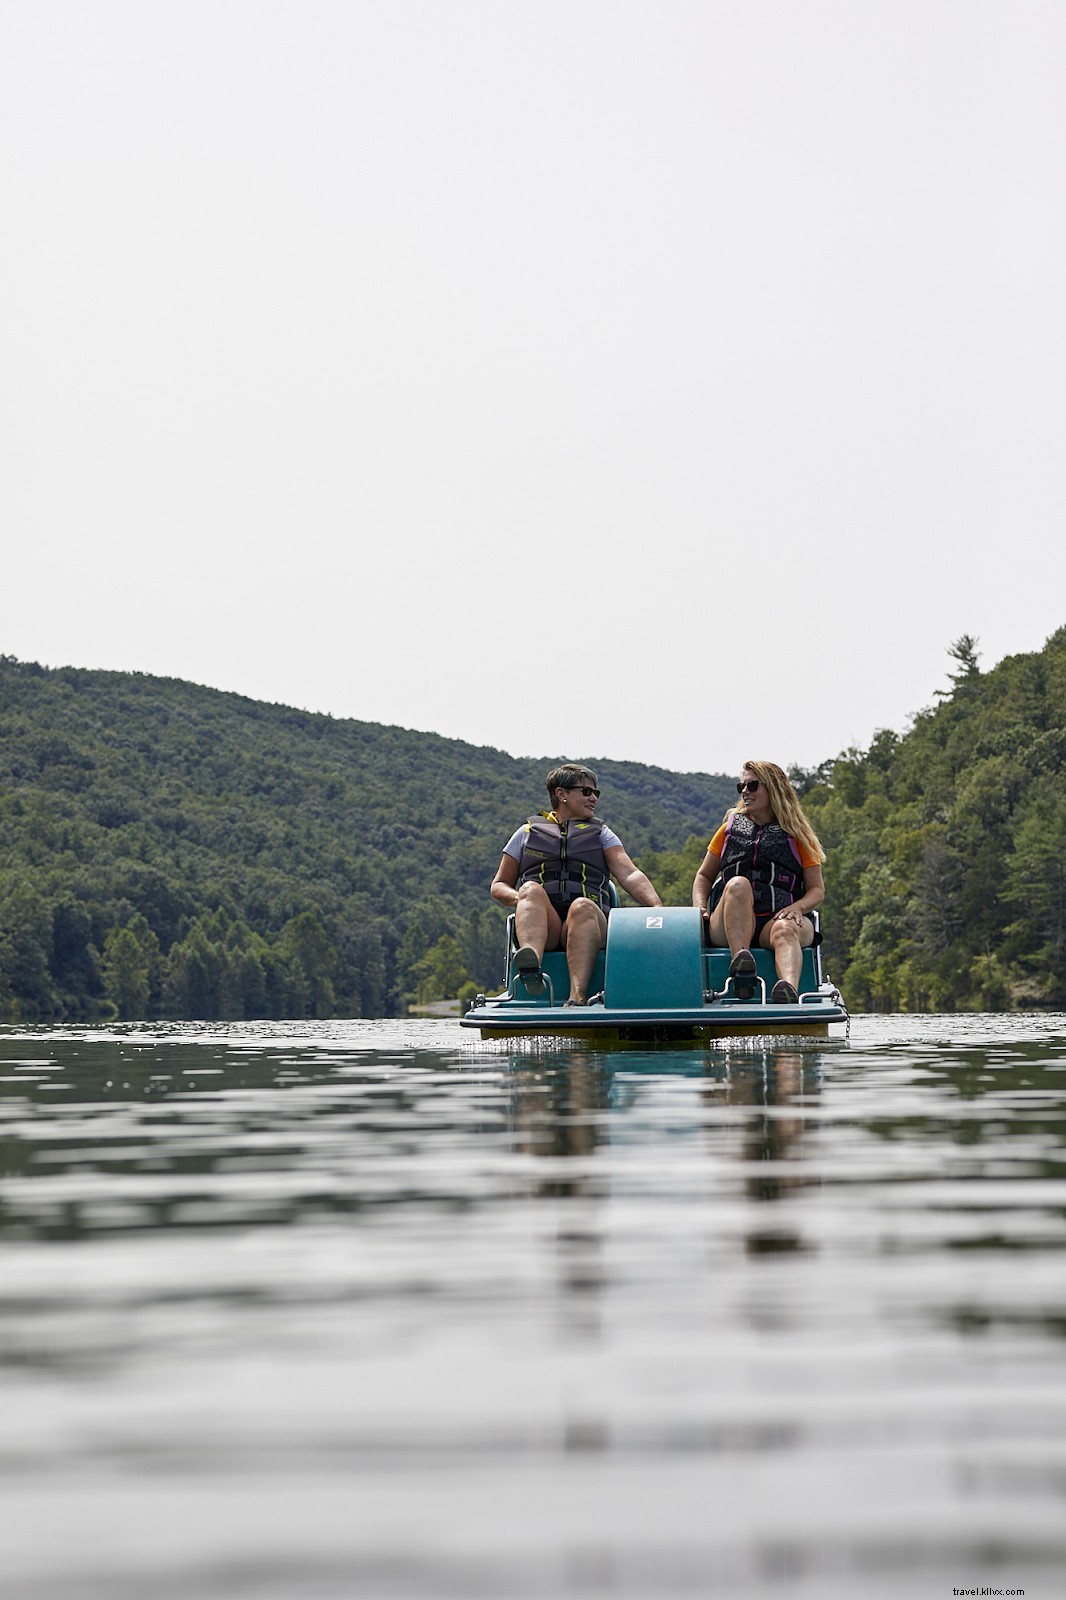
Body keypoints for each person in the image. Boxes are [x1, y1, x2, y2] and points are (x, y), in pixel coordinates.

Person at [490, 762, 662, 1006]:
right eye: (586, 792)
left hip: (588, 923)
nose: (593, 798)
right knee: (529, 889)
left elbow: (629, 873)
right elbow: (499, 885)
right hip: (545, 926)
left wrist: (656, 907)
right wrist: (523, 899)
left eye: (596, 793)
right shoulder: (526, 833)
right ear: (562, 794)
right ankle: (531, 968)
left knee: (582, 905)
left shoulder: (602, 834)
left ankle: (577, 997)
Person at [691, 759, 825, 1003]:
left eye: (752, 785)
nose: (744, 791)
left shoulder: (798, 836)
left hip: (775, 920)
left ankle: (788, 991)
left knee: (785, 929)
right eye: (741, 786)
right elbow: (703, 876)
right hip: (729, 922)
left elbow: (817, 890)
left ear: (773, 789)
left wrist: (798, 907)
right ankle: (741, 966)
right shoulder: (728, 829)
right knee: (738, 884)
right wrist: (699, 908)